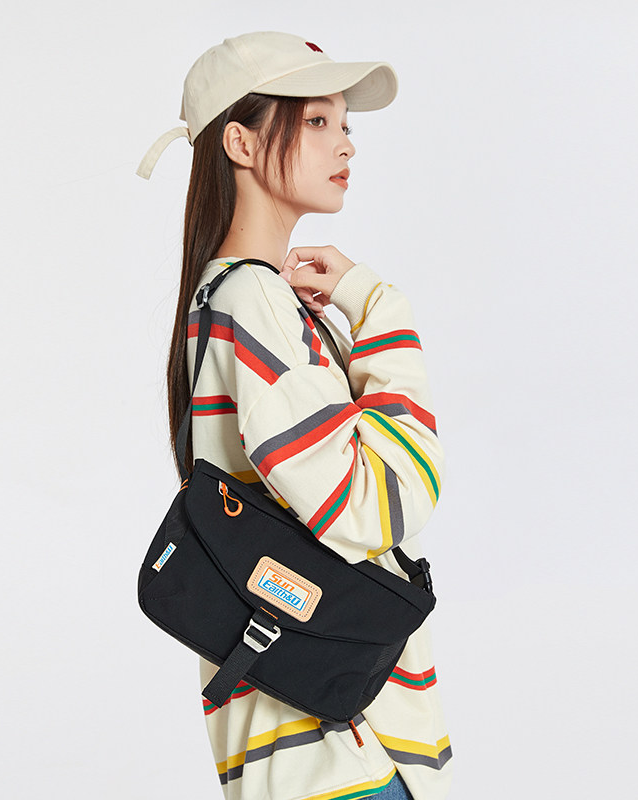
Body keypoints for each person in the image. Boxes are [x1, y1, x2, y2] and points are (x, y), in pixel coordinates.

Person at [137, 31, 453, 800]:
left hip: (316, 734)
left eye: (345, 123)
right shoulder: (253, 300)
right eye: (315, 120)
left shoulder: (235, 298)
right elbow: (379, 503)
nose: (345, 143)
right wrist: (380, 310)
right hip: (339, 748)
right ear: (240, 143)